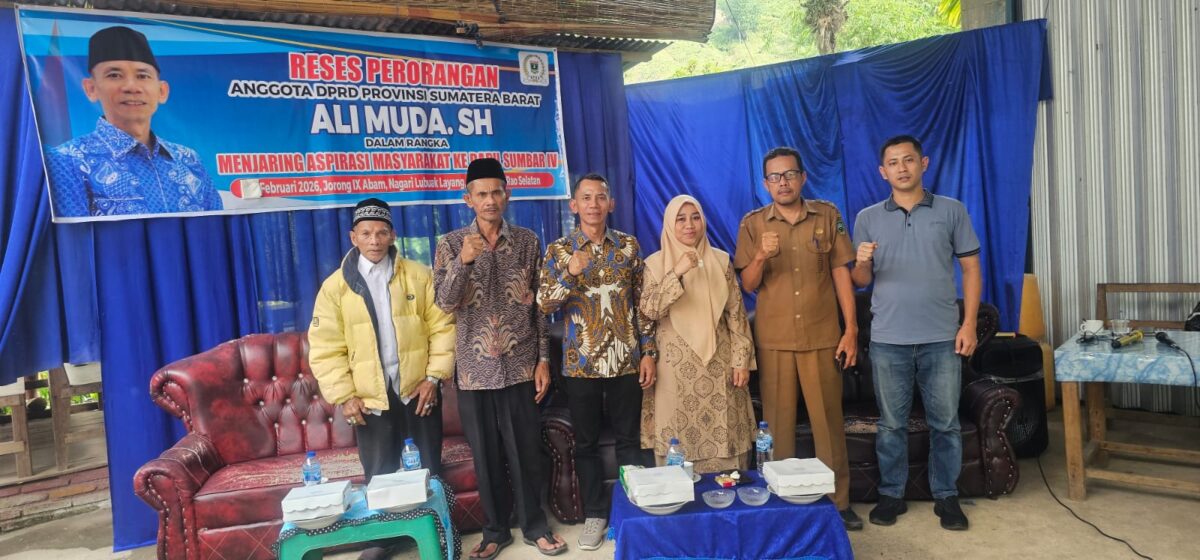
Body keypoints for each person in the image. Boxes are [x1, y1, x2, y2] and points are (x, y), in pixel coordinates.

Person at [433, 158, 566, 558]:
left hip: (521, 366)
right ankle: (495, 531)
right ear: (468, 199)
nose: (490, 200)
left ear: (507, 195)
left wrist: (543, 360)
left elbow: (539, 307)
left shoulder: (527, 241)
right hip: (474, 372)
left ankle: (535, 526)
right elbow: (444, 303)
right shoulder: (450, 244)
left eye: (496, 192)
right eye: (482, 194)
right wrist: (463, 262)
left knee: (526, 452)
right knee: (486, 456)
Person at [309, 198, 455, 560]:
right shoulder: (335, 287)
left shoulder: (418, 275)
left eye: (381, 232)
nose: (374, 240)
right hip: (369, 395)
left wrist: (433, 378)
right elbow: (325, 347)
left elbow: (443, 327)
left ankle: (435, 535)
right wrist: (345, 395)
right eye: (366, 233)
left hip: (417, 389)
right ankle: (384, 540)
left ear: (392, 235)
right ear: (353, 237)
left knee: (428, 469)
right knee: (379, 472)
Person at [851, 135, 981, 531]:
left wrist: (968, 324)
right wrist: (861, 262)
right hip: (888, 339)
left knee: (946, 423)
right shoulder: (867, 218)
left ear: (923, 163)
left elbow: (971, 269)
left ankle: (947, 496)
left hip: (941, 337)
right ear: (883, 172)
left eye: (908, 160)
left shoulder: (952, 210)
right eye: (893, 162)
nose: (901, 168)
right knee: (891, 425)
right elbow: (861, 280)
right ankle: (892, 494)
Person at [733, 147, 862, 530]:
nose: (783, 183)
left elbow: (841, 273)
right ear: (765, 184)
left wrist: (851, 329)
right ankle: (781, 503)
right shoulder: (753, 223)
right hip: (774, 340)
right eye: (775, 177)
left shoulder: (827, 215)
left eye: (789, 174)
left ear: (803, 177)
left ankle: (839, 503)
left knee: (828, 425)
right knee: (777, 428)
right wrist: (760, 255)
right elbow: (748, 284)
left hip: (822, 335)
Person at [537, 173, 657, 551]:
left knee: (629, 441)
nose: (593, 204)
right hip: (581, 364)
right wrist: (570, 273)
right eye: (586, 198)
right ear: (574, 205)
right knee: (585, 444)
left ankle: (632, 509)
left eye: (600, 197)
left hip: (625, 361)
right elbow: (544, 303)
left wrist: (649, 351)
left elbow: (643, 305)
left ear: (611, 204)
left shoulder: (628, 246)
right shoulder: (559, 250)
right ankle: (594, 514)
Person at [45, 26, 221, 217]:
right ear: (91, 89)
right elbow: (72, 234)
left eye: (142, 76)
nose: (131, 87)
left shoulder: (188, 159)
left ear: (162, 91)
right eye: (114, 75)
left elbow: (217, 226)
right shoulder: (67, 160)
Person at [639, 195, 756, 473]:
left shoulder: (721, 261)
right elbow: (650, 309)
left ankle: (726, 489)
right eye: (680, 219)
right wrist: (677, 271)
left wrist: (741, 361)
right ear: (670, 224)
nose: (689, 225)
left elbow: (737, 315)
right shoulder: (655, 264)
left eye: (695, 218)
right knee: (677, 439)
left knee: (725, 434)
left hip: (720, 365)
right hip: (674, 369)